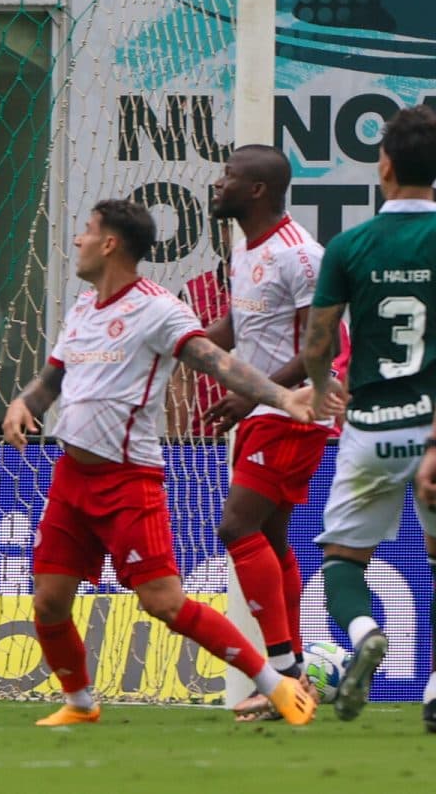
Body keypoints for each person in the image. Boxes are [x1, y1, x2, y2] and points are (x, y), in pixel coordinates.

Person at [2, 198, 316, 727]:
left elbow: (217, 362)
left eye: (86, 230)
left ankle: (277, 685)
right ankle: (80, 702)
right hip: (70, 478)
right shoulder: (81, 308)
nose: (77, 240)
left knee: (164, 604)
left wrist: (283, 399)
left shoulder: (158, 309)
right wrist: (23, 404)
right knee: (49, 601)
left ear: (110, 244)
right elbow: (53, 378)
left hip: (128, 480)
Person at [302, 104, 436, 727]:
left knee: (340, 561)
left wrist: (321, 385)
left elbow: (317, 340)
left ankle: (363, 633)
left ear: (383, 167)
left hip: (371, 430)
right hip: (434, 428)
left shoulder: (349, 246)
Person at [201, 145, 344, 721]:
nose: (218, 183)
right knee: (273, 540)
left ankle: (283, 675)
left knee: (237, 527)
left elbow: (321, 346)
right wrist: (183, 350)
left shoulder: (301, 256)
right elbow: (240, 324)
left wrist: (253, 391)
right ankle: (295, 671)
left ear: (256, 190)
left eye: (229, 177)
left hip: (293, 412)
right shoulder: (245, 248)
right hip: (264, 412)